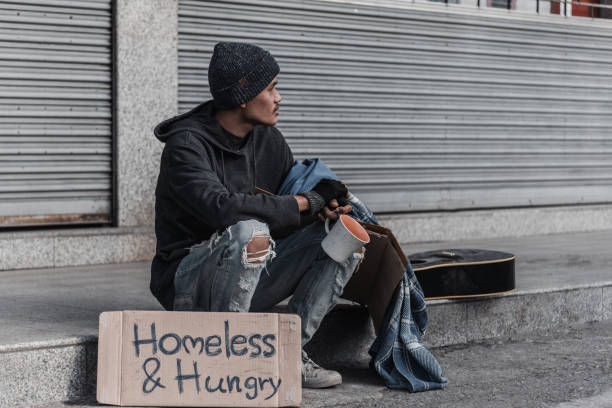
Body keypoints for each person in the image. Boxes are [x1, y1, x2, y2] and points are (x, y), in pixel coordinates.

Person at [150, 42, 365, 389]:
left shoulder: (269, 140)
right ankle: (231, 363)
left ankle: (289, 353)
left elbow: (286, 212)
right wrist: (305, 202)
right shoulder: (186, 145)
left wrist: (321, 207)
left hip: (251, 271)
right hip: (188, 283)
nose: (279, 97)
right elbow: (221, 208)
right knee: (248, 231)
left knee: (343, 235)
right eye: (270, 88)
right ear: (243, 96)